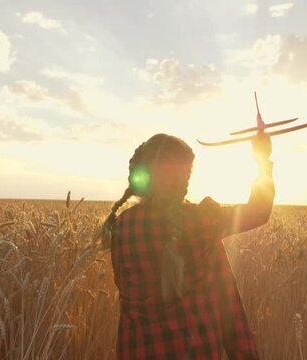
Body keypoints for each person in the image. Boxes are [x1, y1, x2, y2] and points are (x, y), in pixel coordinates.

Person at [98, 131, 275, 359]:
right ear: (184, 178)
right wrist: (262, 159)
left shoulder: (122, 225)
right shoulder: (199, 220)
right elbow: (258, 211)